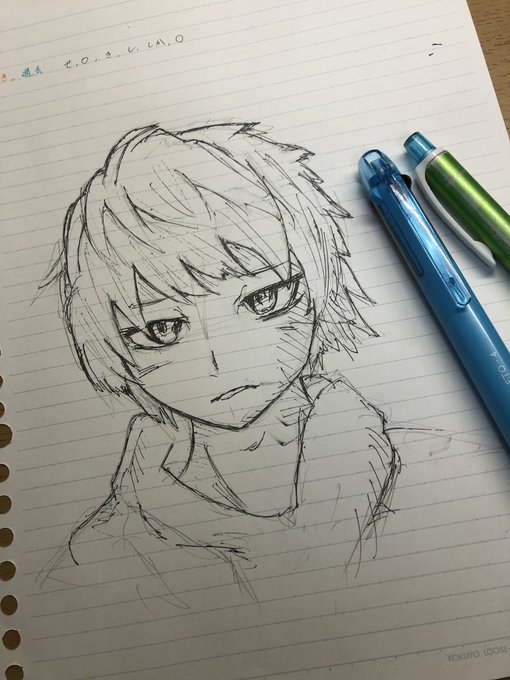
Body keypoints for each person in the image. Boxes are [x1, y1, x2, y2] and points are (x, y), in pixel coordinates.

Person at [41, 122, 402, 606]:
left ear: (317, 280)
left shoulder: (427, 465)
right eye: (162, 329)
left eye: (263, 298)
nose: (221, 359)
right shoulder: (96, 556)